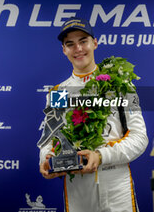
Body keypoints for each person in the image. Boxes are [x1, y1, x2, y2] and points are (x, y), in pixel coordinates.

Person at [39, 17, 148, 212]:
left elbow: (140, 138)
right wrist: (46, 159)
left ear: (95, 43)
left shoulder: (122, 85)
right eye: (70, 44)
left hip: (117, 187)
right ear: (64, 50)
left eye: (83, 41)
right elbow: (50, 140)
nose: (78, 48)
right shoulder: (58, 93)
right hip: (78, 190)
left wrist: (101, 155)